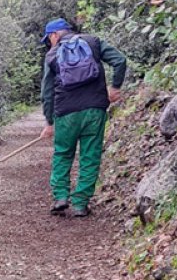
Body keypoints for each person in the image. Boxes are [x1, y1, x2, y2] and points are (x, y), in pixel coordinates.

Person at [39, 18, 127, 217]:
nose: (49, 44)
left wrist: (49, 122)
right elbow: (120, 60)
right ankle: (80, 204)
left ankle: (61, 197)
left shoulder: (52, 55)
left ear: (54, 35)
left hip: (66, 113)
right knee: (90, 156)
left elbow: (47, 92)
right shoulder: (93, 42)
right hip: (95, 109)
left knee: (63, 154)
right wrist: (115, 87)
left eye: (48, 39)